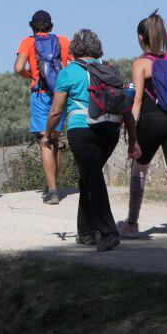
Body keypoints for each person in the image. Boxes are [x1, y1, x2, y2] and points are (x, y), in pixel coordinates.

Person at [42, 29, 140, 252]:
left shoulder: (68, 73)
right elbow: (125, 108)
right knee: (89, 177)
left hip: (82, 130)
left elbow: (56, 111)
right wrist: (133, 140)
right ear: (97, 48)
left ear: (75, 49)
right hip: (110, 131)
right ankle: (86, 232)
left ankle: (108, 232)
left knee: (93, 179)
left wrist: (48, 134)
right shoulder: (110, 70)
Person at [118, 11, 167, 244]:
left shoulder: (140, 64)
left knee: (139, 171)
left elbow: (138, 101)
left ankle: (132, 224)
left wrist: (131, 133)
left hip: (151, 122)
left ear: (141, 38)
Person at [14, 10, 71, 205]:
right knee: (55, 139)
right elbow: (70, 65)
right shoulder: (63, 41)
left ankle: (52, 190)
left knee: (44, 141)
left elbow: (18, 67)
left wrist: (31, 76)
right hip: (60, 95)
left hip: (40, 95)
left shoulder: (27, 42)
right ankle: (54, 186)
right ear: (50, 25)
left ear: (33, 26)